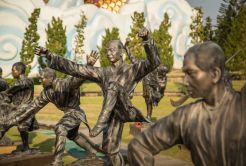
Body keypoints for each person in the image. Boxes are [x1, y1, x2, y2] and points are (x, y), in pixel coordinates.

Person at [33, 27, 160, 165]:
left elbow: (154, 62)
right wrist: (49, 55)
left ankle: (100, 123)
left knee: (113, 86)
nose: (108, 53)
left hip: (125, 109)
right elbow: (76, 68)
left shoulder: (133, 69)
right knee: (110, 150)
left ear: (121, 52)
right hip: (111, 113)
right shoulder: (103, 72)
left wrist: (146, 39)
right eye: (107, 51)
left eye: (112, 50)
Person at [127, 41, 246, 166]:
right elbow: (138, 146)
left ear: (215, 74)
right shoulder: (185, 117)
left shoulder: (245, 105)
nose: (185, 81)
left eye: (191, 73)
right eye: (184, 73)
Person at [9, 53, 101, 165]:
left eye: (42, 78)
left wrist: (88, 65)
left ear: (50, 78)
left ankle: (58, 162)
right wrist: (16, 119)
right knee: (74, 136)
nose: (40, 81)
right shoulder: (46, 92)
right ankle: (93, 151)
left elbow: (79, 77)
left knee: (60, 128)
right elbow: (33, 107)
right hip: (68, 114)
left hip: (75, 113)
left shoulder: (66, 83)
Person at [5, 62, 38, 152]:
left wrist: (9, 90)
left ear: (19, 71)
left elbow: (17, 86)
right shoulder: (17, 83)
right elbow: (9, 96)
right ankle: (25, 146)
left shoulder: (27, 81)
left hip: (25, 109)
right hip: (19, 109)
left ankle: (26, 147)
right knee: (21, 128)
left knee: (20, 127)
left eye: (13, 70)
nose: (11, 72)